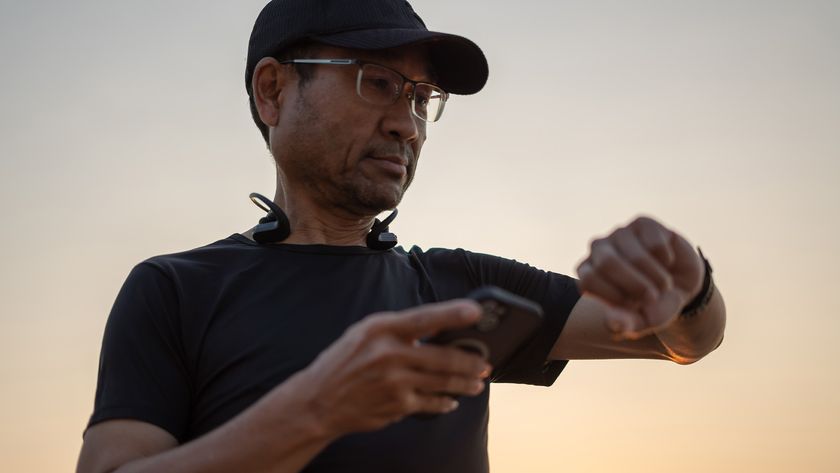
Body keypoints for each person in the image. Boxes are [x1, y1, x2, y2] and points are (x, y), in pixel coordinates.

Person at [76, 1, 726, 472]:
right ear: (273, 90)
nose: (408, 125)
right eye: (378, 83)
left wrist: (687, 283)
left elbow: (681, 339)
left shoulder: (460, 287)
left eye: (421, 96)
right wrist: (315, 410)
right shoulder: (175, 290)